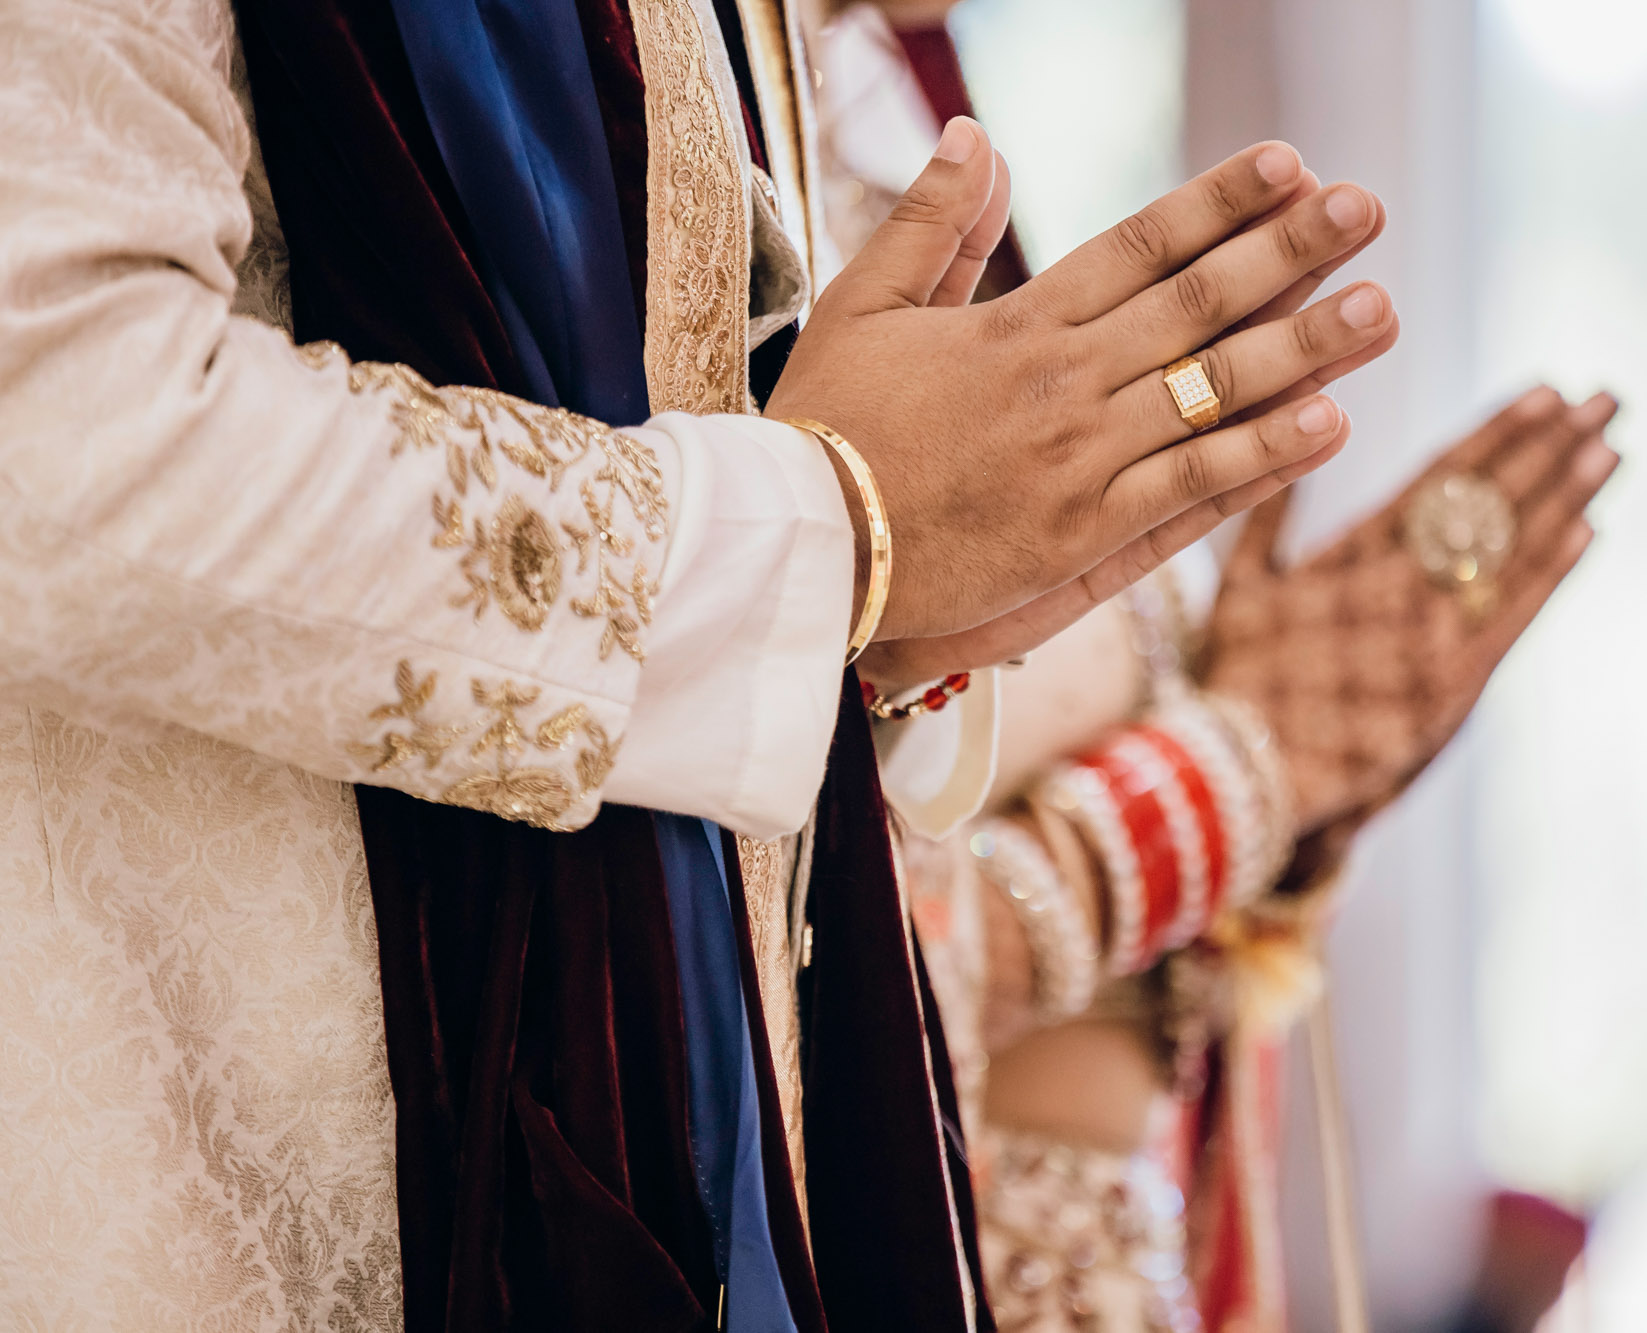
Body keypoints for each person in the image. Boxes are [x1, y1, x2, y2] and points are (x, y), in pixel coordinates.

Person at [0, 1, 1401, 1329]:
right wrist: (1203, 794)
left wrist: (873, 606)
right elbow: (51, 450)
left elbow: (752, 556)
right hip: (209, 1167)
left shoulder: (833, 77)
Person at [812, 8, 1619, 1329]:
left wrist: (1282, 741)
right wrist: (1223, 780)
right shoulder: (641, 121)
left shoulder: (888, 97)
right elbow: (721, 964)